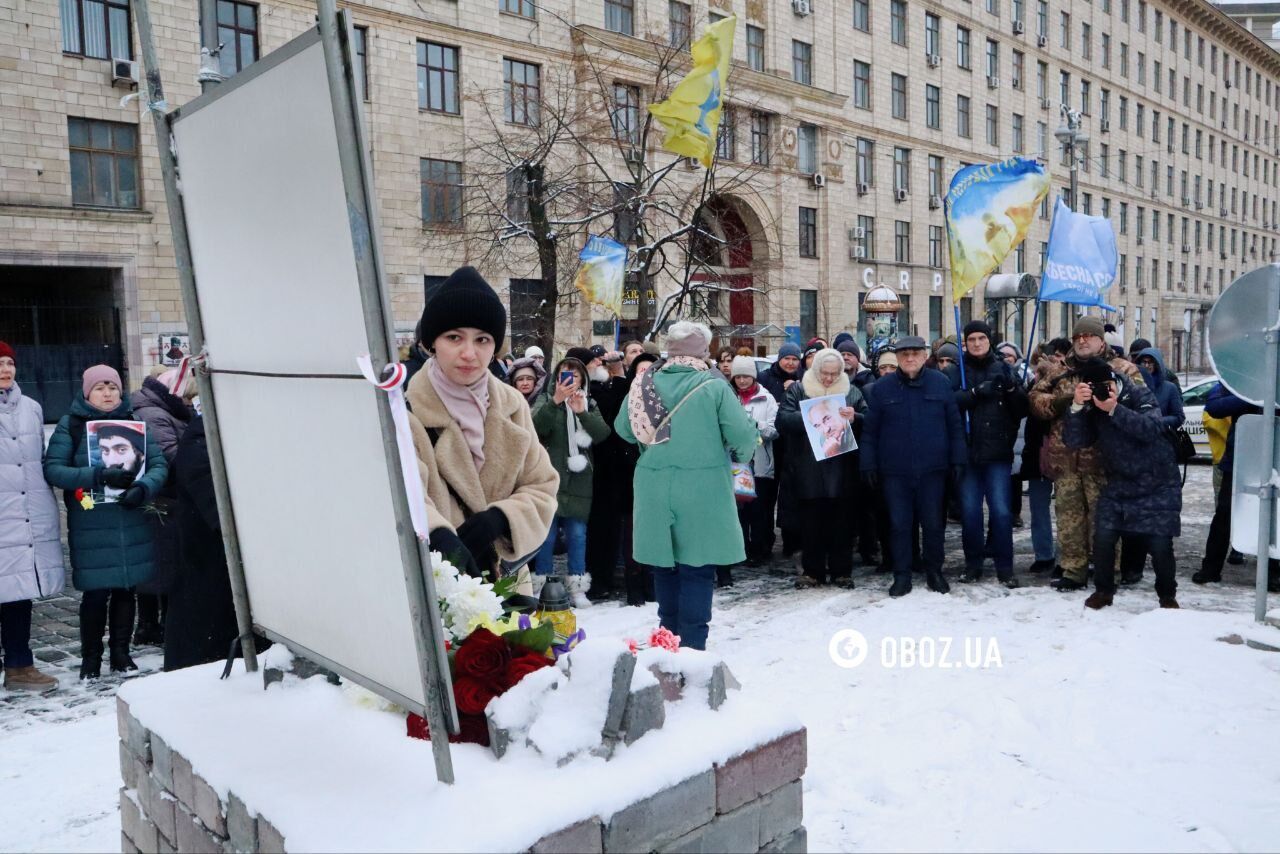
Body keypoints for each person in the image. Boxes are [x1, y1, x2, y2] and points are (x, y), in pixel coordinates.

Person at [405, 267, 559, 594]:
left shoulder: (512, 405)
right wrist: (439, 535)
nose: (469, 353)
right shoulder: (406, 408)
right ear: (432, 342)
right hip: (440, 589)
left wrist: (502, 519)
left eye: (482, 339)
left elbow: (542, 484)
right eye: (454, 337)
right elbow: (402, 496)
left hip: (507, 587)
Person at [615, 321, 758, 649]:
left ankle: (668, 644)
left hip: (653, 485)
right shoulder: (714, 386)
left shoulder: (644, 382)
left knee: (664, 567)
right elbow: (742, 438)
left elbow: (624, 428)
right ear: (702, 351)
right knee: (697, 568)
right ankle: (692, 651)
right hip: (702, 490)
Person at [44, 365, 168, 678]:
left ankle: (121, 653)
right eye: (99, 388)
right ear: (87, 392)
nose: (107, 393)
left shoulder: (135, 422)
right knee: (96, 593)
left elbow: (158, 465)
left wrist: (143, 488)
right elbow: (54, 470)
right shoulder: (70, 425)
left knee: (126, 589)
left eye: (112, 387)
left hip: (129, 519)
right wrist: (97, 474)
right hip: (92, 522)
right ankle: (91, 658)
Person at [1029, 317, 1143, 591]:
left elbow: (1141, 403)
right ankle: (1073, 571)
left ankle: (1108, 571)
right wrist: (1064, 400)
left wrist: (1112, 399)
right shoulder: (1058, 370)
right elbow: (1035, 401)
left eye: (1089, 337)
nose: (1082, 341)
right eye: (1078, 336)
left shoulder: (1122, 369)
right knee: (1069, 521)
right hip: (1066, 459)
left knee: (1103, 521)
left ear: (1101, 341)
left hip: (1105, 462)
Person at [1062, 361, 1182, 609]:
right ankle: (1104, 592)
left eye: (1105, 386)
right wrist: (1075, 407)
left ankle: (1167, 597)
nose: (1102, 391)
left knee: (1159, 544)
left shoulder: (1137, 392)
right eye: (1094, 387)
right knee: (1104, 537)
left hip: (1157, 482)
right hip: (1119, 482)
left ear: (1114, 381)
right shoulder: (1091, 405)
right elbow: (1075, 440)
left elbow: (1150, 429)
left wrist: (1115, 408)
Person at [861, 337, 965, 597]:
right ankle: (902, 575)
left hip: (933, 470)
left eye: (915, 353)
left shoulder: (940, 383)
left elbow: (954, 426)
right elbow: (871, 432)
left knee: (933, 524)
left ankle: (934, 572)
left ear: (924, 356)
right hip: (895, 471)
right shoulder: (882, 388)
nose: (910, 358)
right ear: (897, 358)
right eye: (904, 354)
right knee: (899, 524)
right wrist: (868, 464)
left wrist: (958, 459)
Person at [0, 342, 64, 691]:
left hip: (25, 512)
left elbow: (39, 458)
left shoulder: (32, 408)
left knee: (18, 591)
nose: (6, 370)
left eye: (10, 362)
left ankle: (20, 666)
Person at [944, 321, 1028, 587]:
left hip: (997, 454)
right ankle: (973, 565)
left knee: (1002, 512)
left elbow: (1022, 409)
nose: (977, 343)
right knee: (970, 513)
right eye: (971, 339)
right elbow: (949, 402)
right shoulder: (957, 370)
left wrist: (1013, 388)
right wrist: (976, 393)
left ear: (989, 340)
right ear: (965, 343)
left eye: (981, 338)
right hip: (968, 454)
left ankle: (1005, 568)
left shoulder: (1004, 367)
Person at [778, 349, 867, 588]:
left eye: (834, 374)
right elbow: (782, 420)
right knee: (811, 524)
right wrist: (808, 418)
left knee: (843, 524)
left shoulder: (852, 391)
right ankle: (812, 572)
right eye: (824, 374)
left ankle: (842, 572)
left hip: (843, 469)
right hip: (808, 469)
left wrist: (854, 417)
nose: (828, 379)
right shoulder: (799, 389)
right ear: (815, 370)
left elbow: (868, 419)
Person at [531, 357, 610, 607]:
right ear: (557, 377)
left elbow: (601, 434)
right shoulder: (546, 399)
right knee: (547, 535)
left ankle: (577, 588)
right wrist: (556, 401)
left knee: (577, 535)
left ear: (582, 379)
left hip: (579, 480)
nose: (570, 380)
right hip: (550, 477)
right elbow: (535, 427)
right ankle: (540, 586)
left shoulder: (590, 402)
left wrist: (582, 412)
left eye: (575, 376)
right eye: (565, 374)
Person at [130, 367, 195, 647]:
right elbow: (170, 456)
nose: (191, 404)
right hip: (160, 498)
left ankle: (156, 626)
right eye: (189, 399)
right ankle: (153, 627)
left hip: (168, 497)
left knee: (162, 564)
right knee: (161, 565)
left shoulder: (164, 409)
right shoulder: (154, 414)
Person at [1193, 383, 1280, 590]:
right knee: (1225, 514)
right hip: (1241, 460)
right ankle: (1211, 569)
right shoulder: (1242, 377)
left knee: (1275, 517)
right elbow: (1214, 407)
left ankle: (1274, 573)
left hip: (1275, 459)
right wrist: (1254, 395)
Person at [1119, 347, 1185, 585]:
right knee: (1132, 519)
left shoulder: (1167, 389)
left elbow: (1179, 416)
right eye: (1142, 362)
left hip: (1161, 455)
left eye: (1150, 362)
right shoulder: (1129, 388)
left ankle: (1165, 579)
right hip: (1134, 455)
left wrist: (1155, 422)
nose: (1146, 366)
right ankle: (1131, 569)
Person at [729, 356, 779, 570]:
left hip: (759, 463)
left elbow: (773, 430)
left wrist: (751, 425)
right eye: (738, 376)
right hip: (735, 464)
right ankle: (742, 549)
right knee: (740, 512)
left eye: (746, 376)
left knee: (759, 511)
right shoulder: (729, 397)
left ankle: (760, 549)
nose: (742, 381)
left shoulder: (766, 399)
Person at [619, 353, 659, 605]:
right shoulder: (627, 400)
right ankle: (633, 587)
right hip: (629, 476)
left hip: (657, 476)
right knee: (632, 533)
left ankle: (654, 583)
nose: (644, 374)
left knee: (656, 532)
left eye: (649, 369)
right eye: (639, 369)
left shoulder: (665, 400)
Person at [758, 342, 803, 558]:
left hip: (793, 446)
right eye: (787, 359)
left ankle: (791, 541)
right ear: (780, 359)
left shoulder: (804, 379)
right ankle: (765, 542)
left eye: (795, 359)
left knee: (791, 495)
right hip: (769, 445)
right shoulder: (765, 378)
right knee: (766, 496)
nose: (791, 363)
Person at [1020, 348, 1059, 575]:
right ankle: (1044, 554)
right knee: (1038, 508)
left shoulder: (1067, 385)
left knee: (1066, 509)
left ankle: (1070, 556)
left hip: (1065, 455)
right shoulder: (1031, 390)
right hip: (1037, 457)